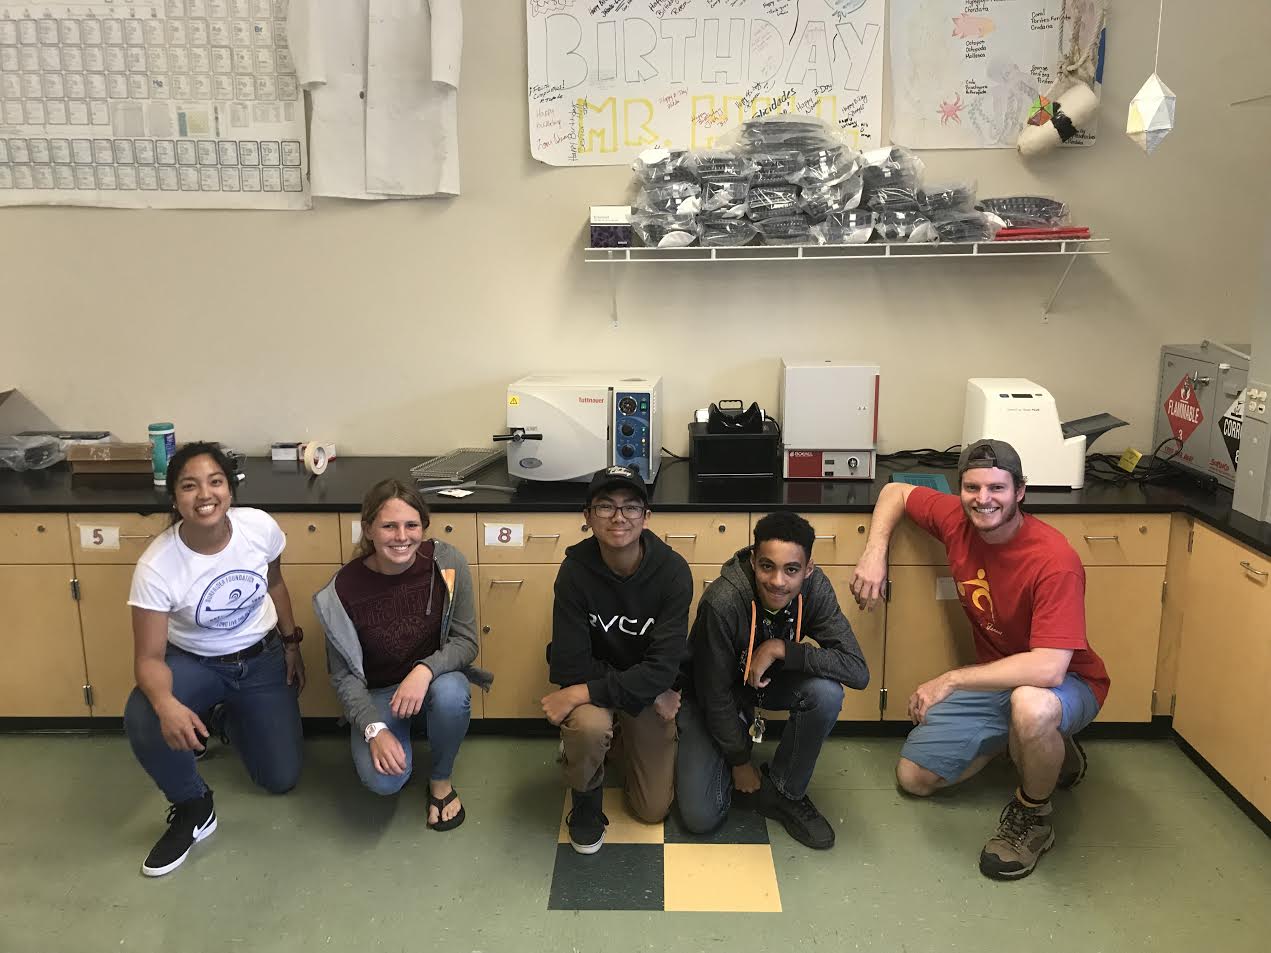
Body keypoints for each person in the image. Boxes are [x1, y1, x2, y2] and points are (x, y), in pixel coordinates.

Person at [850, 439, 1110, 880]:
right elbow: (895, 493)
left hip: (1066, 682)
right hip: (999, 680)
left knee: (1030, 704)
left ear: (1020, 492)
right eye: (972, 488)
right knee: (914, 778)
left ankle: (1033, 815)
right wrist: (875, 554)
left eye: (997, 488)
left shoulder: (1053, 559)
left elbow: (1048, 667)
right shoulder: (956, 518)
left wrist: (951, 680)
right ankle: (1037, 748)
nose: (983, 499)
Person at [124, 442, 306, 877]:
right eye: (190, 486)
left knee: (280, 779)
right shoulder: (157, 566)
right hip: (196, 663)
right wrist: (167, 704)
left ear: (230, 489)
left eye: (215, 482)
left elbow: (275, 585)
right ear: (175, 498)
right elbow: (148, 658)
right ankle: (193, 806)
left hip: (262, 659)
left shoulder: (258, 528)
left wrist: (292, 643)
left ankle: (220, 720)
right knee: (144, 713)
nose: (204, 494)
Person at [677, 512, 869, 850]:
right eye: (767, 566)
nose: (778, 581)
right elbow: (712, 692)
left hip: (768, 686)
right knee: (700, 818)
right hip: (713, 695)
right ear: (753, 561)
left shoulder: (816, 589)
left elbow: (857, 670)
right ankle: (726, 748)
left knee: (825, 693)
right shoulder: (723, 601)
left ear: (808, 569)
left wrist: (783, 649)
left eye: (791, 570)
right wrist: (739, 762)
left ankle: (783, 791)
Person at [313, 479, 491, 830]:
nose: (401, 536)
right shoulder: (341, 590)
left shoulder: (447, 562)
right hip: (379, 695)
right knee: (384, 783)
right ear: (368, 530)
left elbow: (466, 641)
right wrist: (373, 729)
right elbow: (343, 675)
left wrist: (423, 671)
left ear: (424, 527)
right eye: (389, 526)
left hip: (433, 682)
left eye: (412, 525)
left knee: (453, 693)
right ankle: (398, 734)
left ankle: (440, 779)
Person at [542, 465, 692, 854]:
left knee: (652, 809)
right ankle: (586, 799)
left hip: (634, 688)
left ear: (647, 516)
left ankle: (614, 739)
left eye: (630, 507)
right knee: (589, 728)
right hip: (622, 689)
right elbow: (569, 663)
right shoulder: (575, 571)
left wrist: (581, 692)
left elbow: (663, 666)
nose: (618, 517)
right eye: (605, 506)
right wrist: (641, 689)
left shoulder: (673, 572)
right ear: (587, 516)